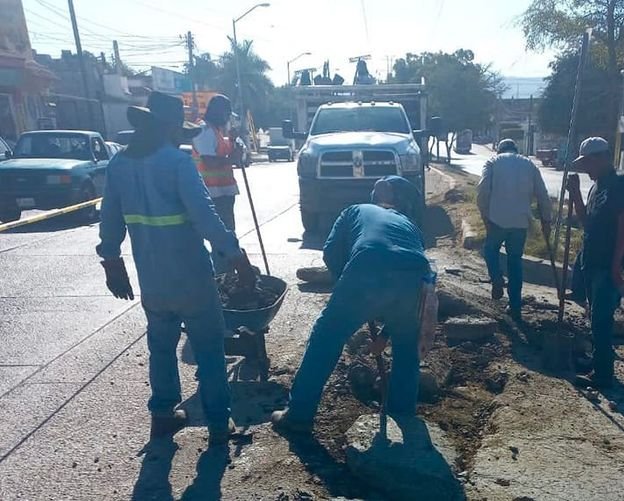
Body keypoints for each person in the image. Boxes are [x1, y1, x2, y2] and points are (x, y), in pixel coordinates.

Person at [97, 91, 256, 444]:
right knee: (210, 348)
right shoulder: (177, 163)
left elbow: (109, 219)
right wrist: (237, 257)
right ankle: (218, 423)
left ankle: (163, 417)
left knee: (162, 347)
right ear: (168, 128)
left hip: (152, 280)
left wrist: (111, 262)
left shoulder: (120, 164)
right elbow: (206, 219)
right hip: (192, 278)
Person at [272, 176, 431, 432]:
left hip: (368, 264)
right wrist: (388, 332)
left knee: (327, 336)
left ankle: (298, 415)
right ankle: (402, 416)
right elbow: (406, 280)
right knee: (406, 349)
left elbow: (331, 251)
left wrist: (345, 284)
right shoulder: (412, 227)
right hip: (415, 274)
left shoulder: (355, 210)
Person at [565, 137, 624, 390]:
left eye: (588, 163)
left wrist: (617, 264)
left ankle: (604, 376)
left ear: (601, 158)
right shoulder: (597, 186)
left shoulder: (621, 183)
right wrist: (575, 194)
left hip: (607, 265)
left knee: (601, 321)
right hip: (591, 261)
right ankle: (598, 363)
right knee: (594, 317)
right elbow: (587, 222)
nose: (586, 169)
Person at [477, 138, 552, 321]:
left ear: (499, 150)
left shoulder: (493, 162)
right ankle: (516, 305)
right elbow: (543, 194)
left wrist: (485, 216)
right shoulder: (529, 164)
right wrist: (546, 221)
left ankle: (496, 277)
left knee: (490, 249)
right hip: (520, 222)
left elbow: (482, 191)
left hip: (497, 220)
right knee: (515, 262)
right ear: (516, 150)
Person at [192, 94, 242, 273]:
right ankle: (224, 276)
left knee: (229, 234)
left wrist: (234, 141)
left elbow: (225, 153)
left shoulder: (217, 131)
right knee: (222, 237)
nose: (228, 117)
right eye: (227, 113)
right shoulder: (204, 130)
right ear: (218, 112)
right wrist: (232, 159)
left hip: (224, 191)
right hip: (213, 192)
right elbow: (209, 161)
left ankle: (230, 270)